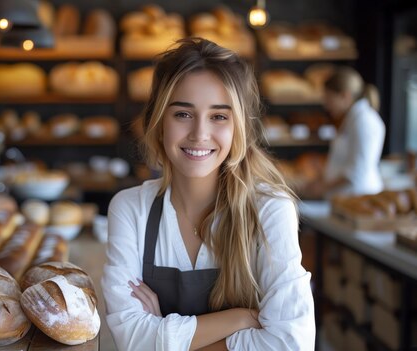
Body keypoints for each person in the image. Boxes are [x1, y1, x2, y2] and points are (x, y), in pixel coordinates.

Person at [101, 38, 315, 351]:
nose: (200, 134)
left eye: (218, 116)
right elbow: (130, 338)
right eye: (183, 114)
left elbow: (291, 343)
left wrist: (163, 336)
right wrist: (240, 318)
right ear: (160, 122)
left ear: (238, 127)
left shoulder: (269, 208)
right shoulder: (131, 209)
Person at [318, 66, 385, 197]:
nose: (326, 105)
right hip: (346, 198)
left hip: (360, 198)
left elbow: (357, 172)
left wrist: (322, 187)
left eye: (329, 99)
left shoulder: (364, 121)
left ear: (345, 96)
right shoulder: (352, 120)